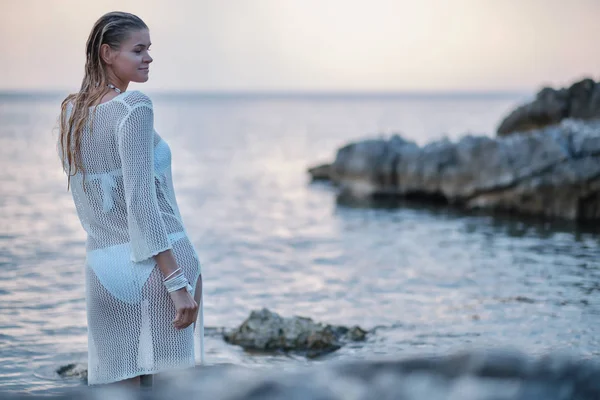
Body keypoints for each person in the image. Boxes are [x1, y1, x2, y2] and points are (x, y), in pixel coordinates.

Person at [57, 11, 204, 388]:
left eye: (149, 49)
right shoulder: (133, 107)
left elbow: (89, 200)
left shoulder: (71, 112)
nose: (149, 58)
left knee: (115, 393)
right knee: (173, 390)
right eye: (138, 50)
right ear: (107, 53)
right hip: (156, 268)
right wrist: (176, 282)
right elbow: (141, 200)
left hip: (102, 268)